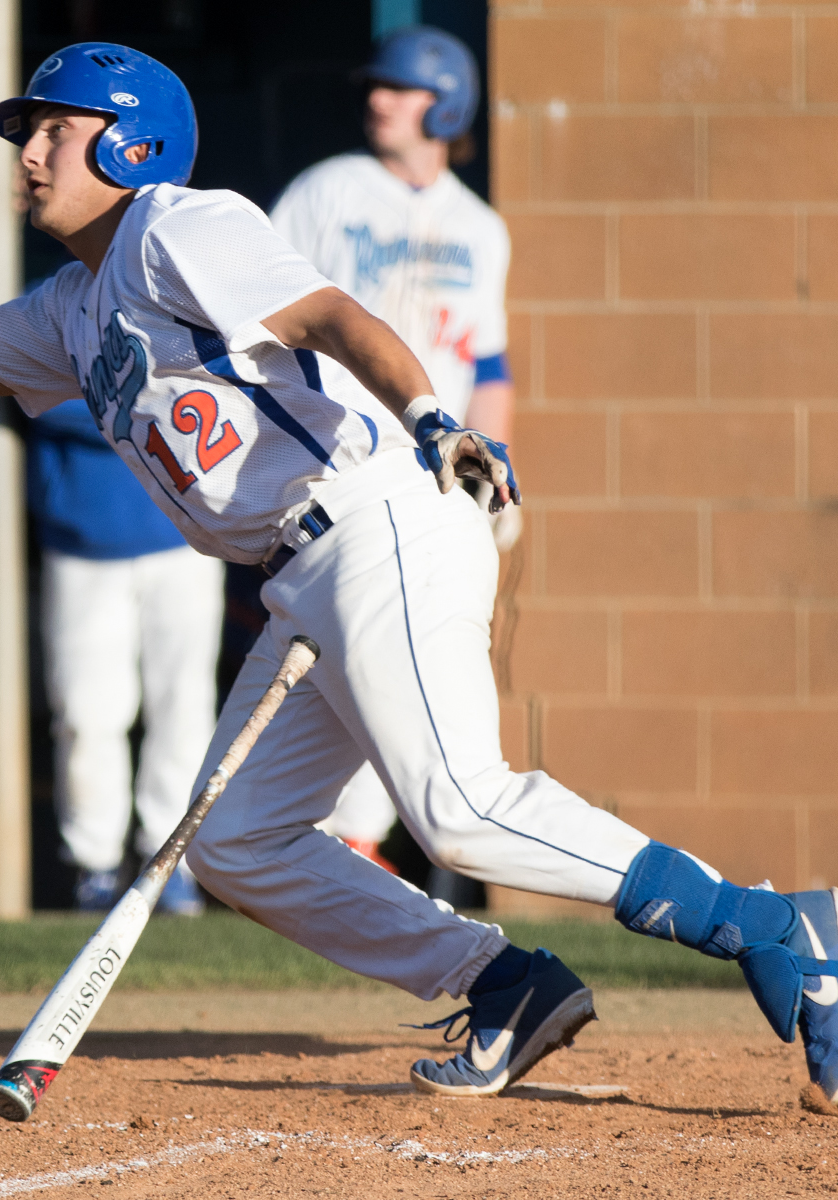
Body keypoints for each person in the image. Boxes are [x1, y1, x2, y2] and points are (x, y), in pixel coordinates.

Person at [0, 43, 838, 1105]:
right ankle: (502, 981)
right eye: (27, 133)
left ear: (132, 143)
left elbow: (328, 315)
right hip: (302, 578)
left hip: (376, 523)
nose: (30, 153)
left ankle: (769, 924)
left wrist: (431, 413)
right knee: (235, 843)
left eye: (55, 128)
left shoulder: (174, 225)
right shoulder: (70, 302)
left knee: (459, 807)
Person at [271, 25, 514, 884]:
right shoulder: (329, 189)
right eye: (376, 85)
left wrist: (501, 481)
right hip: (339, 469)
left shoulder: (481, 228)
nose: (377, 98)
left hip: (438, 483)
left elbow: (489, 363)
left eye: (400, 88)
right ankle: (342, 865)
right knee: (343, 686)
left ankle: (365, 871)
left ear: (445, 103)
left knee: (420, 694)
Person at [27, 397, 222, 916]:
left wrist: (133, 403)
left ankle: (173, 860)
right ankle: (94, 865)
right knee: (86, 714)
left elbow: (213, 394)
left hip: (187, 531)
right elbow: (31, 395)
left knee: (183, 707)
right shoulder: (48, 312)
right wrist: (148, 407)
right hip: (82, 536)